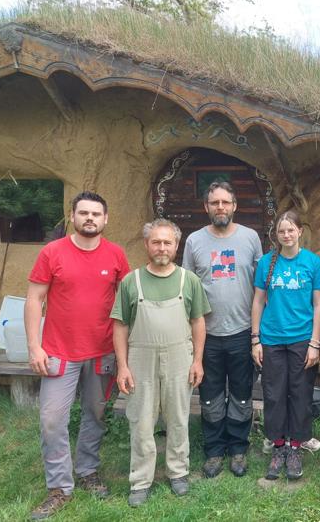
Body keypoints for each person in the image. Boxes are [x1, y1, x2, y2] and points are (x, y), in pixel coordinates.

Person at [25, 191, 130, 520]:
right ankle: (59, 487)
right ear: (72, 216)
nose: (90, 218)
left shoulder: (116, 255)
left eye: (96, 214)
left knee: (95, 415)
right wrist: (34, 346)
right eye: (83, 213)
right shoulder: (52, 252)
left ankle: (87, 471)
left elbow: (126, 304)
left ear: (105, 219)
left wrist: (126, 355)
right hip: (59, 352)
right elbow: (34, 299)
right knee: (52, 419)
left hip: (102, 351)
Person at [112, 219, 210, 506]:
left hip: (180, 356)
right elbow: (120, 326)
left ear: (176, 246)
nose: (162, 247)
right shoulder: (131, 281)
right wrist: (123, 366)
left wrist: (198, 361)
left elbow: (198, 322)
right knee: (141, 421)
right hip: (140, 359)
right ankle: (140, 480)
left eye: (168, 242)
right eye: (156, 242)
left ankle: (178, 472)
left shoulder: (188, 280)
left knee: (178, 417)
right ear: (147, 245)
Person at [183, 181, 263, 478]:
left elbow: (260, 287)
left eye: (225, 202)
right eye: (215, 202)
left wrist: (258, 334)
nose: (220, 207)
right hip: (207, 334)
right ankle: (214, 450)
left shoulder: (250, 238)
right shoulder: (194, 241)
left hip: (242, 330)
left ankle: (238, 448)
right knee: (211, 396)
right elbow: (187, 288)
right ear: (206, 207)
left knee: (242, 394)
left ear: (234, 206)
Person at [251, 211, 320, 480]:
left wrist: (315, 343)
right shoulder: (266, 262)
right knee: (273, 394)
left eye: (291, 230)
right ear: (276, 234)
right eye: (282, 231)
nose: (286, 235)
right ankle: (278, 445)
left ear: (300, 231)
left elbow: (319, 304)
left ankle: (295, 446)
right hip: (271, 338)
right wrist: (255, 339)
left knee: (301, 393)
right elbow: (258, 301)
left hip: (302, 339)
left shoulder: (313, 262)